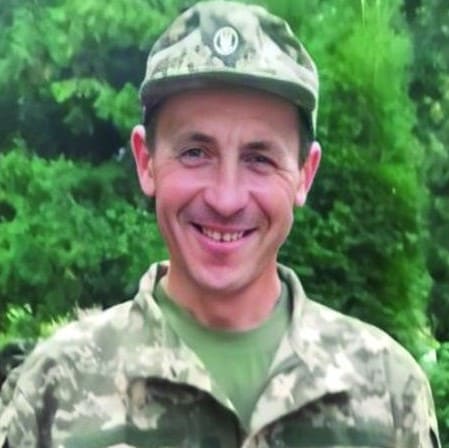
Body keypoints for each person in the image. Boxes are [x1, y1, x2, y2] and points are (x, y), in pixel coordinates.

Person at [0, 1, 441, 447]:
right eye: (195, 153)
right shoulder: (55, 388)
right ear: (146, 161)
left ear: (305, 175)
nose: (225, 199)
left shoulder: (388, 392)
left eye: (259, 159)